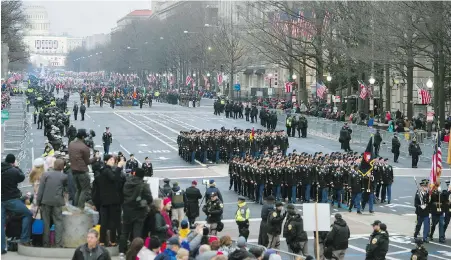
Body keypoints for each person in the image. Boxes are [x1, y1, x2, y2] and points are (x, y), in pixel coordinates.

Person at [1, 154, 33, 253]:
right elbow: (22, 177)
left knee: (1, 224)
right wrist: (17, 167)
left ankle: (2, 248)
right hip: (11, 200)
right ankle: (24, 239)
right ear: (13, 162)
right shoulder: (14, 171)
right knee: (28, 214)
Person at [92, 154, 125, 247]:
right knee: (113, 222)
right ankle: (112, 241)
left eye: (113, 160)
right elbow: (115, 178)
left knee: (103, 222)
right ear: (106, 161)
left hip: (103, 201)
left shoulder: (101, 172)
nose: (113, 161)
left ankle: (102, 241)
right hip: (112, 201)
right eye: (110, 160)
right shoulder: (107, 171)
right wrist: (119, 167)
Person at [119, 168, 153, 255]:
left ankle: (121, 251)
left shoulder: (127, 183)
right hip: (139, 211)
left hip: (127, 210)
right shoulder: (143, 185)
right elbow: (149, 199)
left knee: (125, 231)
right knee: (137, 232)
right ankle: (135, 251)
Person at [36, 158, 68, 248]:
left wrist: (38, 202)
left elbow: (41, 189)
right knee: (58, 222)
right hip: (57, 202)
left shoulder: (45, 175)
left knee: (46, 222)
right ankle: (58, 244)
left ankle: (46, 243)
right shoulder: (64, 176)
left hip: (45, 201)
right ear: (62, 167)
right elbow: (66, 189)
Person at [68, 129, 97, 209]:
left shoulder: (71, 144)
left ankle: (75, 208)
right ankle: (80, 208)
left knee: (78, 190)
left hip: (73, 170)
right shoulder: (84, 148)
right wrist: (95, 158)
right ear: (83, 137)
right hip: (82, 171)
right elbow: (87, 162)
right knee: (84, 190)